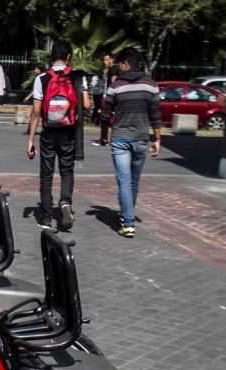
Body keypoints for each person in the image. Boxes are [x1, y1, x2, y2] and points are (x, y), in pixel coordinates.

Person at [26, 41, 90, 230]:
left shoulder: (43, 79)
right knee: (66, 170)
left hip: (48, 131)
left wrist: (30, 140)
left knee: (46, 174)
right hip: (68, 131)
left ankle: (45, 217)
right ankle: (65, 202)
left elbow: (36, 112)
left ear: (52, 57)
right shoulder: (78, 77)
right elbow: (86, 105)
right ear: (69, 57)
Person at [101, 47, 161, 238]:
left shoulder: (116, 86)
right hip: (141, 139)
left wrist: (104, 134)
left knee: (124, 181)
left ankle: (128, 222)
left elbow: (105, 113)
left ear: (126, 63)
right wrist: (157, 138)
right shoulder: (151, 85)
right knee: (133, 182)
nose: (118, 67)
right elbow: (156, 114)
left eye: (119, 63)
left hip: (119, 138)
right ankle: (128, 216)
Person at [93, 53, 120, 146]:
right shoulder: (111, 69)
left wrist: (109, 98)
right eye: (104, 60)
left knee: (105, 118)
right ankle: (104, 139)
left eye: (106, 59)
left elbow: (113, 83)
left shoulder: (114, 69)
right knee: (106, 118)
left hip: (111, 98)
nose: (105, 62)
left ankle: (104, 139)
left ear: (111, 59)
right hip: (109, 97)